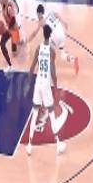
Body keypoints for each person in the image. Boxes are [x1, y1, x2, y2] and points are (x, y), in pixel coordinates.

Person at [26, 25, 66, 155]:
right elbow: (53, 71)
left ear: (43, 34)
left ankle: (29, 145)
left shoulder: (38, 48)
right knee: (51, 113)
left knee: (35, 112)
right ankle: (58, 143)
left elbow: (32, 67)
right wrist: (56, 87)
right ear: (50, 35)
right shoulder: (52, 51)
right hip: (45, 84)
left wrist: (28, 82)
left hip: (38, 82)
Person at [27, 4, 79, 73]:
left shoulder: (41, 21)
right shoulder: (51, 13)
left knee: (44, 50)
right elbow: (57, 14)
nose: (37, 16)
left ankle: (42, 68)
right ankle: (73, 59)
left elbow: (34, 33)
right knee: (62, 55)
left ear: (40, 13)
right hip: (62, 35)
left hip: (55, 37)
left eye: (37, 14)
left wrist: (28, 40)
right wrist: (64, 22)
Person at [0, 0, 20, 73]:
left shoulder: (9, 6)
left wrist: (7, 28)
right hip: (9, 28)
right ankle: (10, 66)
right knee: (2, 44)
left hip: (14, 29)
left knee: (14, 53)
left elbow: (13, 20)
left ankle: (20, 40)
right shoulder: (3, 2)